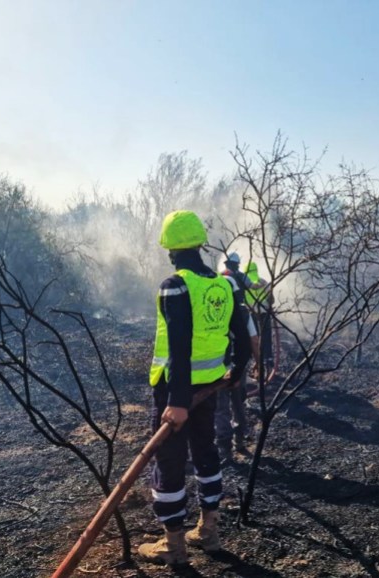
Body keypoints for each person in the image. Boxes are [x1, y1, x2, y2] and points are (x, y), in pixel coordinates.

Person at [138, 210, 251, 566]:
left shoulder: (176, 285)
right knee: (205, 453)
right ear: (201, 244)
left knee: (169, 464)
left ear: (170, 249)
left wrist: (177, 402)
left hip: (177, 393)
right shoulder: (226, 284)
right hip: (210, 387)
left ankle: (174, 547)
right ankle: (208, 532)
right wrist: (235, 372)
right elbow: (243, 336)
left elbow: (179, 346)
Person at [215, 260, 259, 464]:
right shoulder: (243, 312)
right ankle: (239, 439)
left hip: (219, 366)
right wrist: (258, 362)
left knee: (222, 405)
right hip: (237, 366)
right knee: (237, 401)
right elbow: (253, 340)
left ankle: (225, 448)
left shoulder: (215, 309)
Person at [244, 261, 274, 380]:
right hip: (264, 313)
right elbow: (271, 300)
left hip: (251, 314)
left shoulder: (244, 283)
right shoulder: (264, 282)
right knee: (266, 337)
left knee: (254, 339)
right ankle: (269, 361)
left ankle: (256, 363)